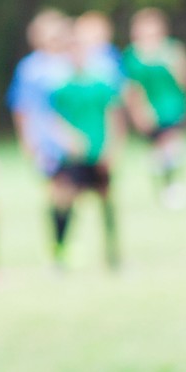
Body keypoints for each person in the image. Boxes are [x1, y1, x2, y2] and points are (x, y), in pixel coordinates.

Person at [48, 22, 124, 270]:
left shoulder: (101, 81)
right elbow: (52, 118)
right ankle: (60, 255)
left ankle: (113, 255)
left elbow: (113, 115)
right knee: (63, 201)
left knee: (106, 201)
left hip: (98, 151)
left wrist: (112, 148)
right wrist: (66, 138)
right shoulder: (60, 84)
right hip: (72, 156)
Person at [123, 6, 186, 209]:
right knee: (157, 154)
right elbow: (132, 88)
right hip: (149, 110)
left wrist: (179, 65)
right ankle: (164, 189)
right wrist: (138, 113)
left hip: (173, 108)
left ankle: (174, 188)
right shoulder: (132, 56)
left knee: (173, 147)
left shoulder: (172, 50)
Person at [7, 9, 75, 239]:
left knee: (73, 191)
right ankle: (59, 245)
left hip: (77, 139)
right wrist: (27, 141)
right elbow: (23, 109)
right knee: (58, 191)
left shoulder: (71, 63)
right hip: (48, 141)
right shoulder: (31, 69)